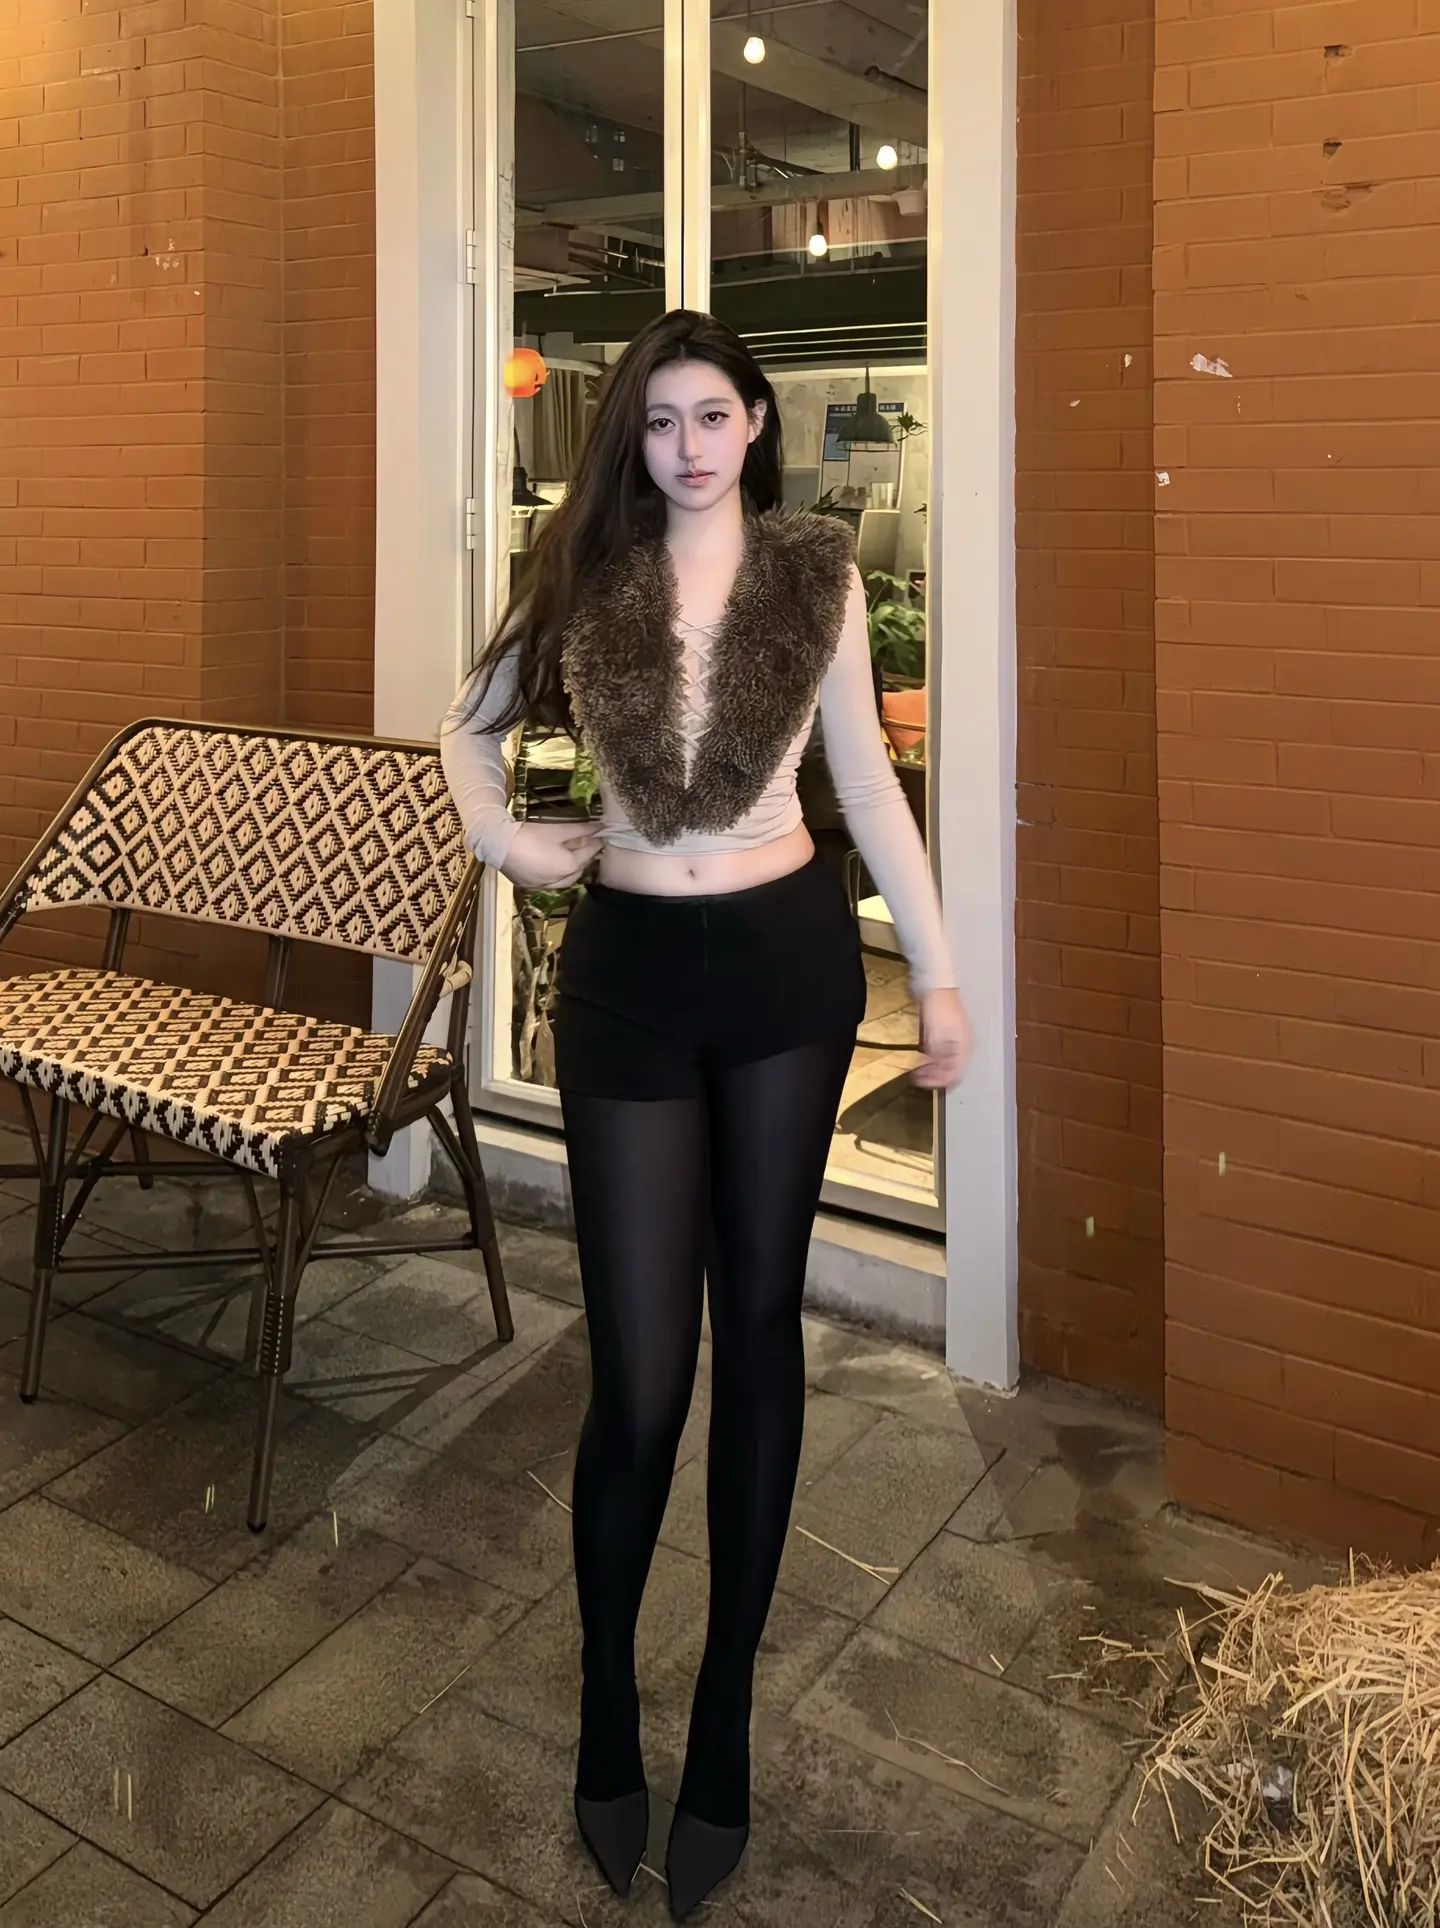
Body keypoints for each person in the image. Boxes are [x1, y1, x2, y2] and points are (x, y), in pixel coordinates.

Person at [441, 310, 971, 1921]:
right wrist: (507, 841)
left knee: (758, 1338)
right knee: (641, 1381)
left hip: (787, 973)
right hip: (628, 984)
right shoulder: (582, 575)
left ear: (755, 424)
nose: (686, 445)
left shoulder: (816, 579)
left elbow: (868, 790)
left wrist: (939, 979)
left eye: (712, 416)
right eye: (660, 420)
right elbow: (466, 727)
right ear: (637, 435)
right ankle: (608, 1693)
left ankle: (724, 1710)